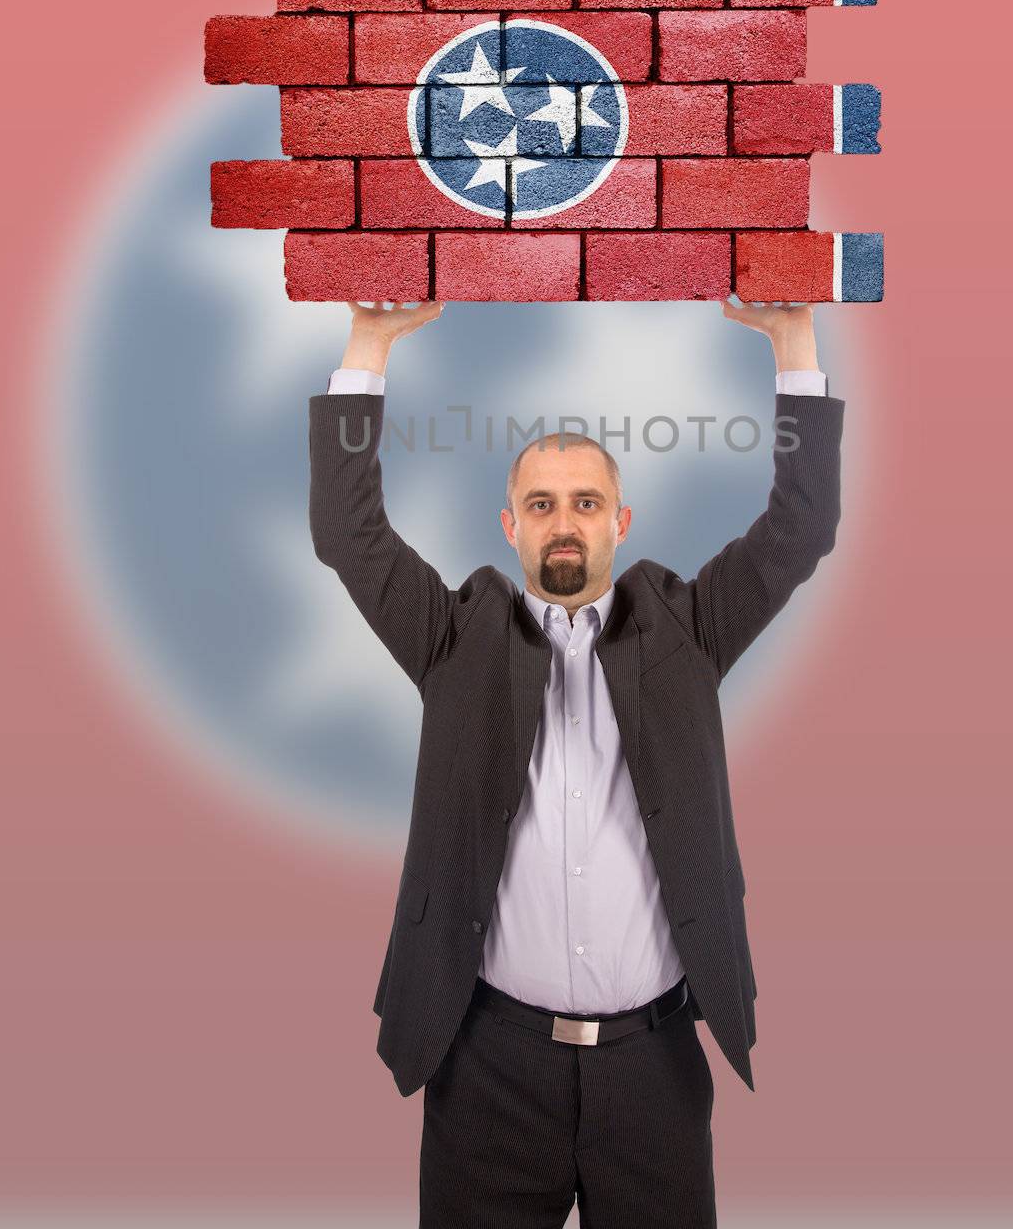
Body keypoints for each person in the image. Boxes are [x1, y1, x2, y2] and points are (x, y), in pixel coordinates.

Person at [309, 297, 844, 1227]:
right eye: (542, 505)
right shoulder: (453, 637)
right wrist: (370, 341)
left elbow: (798, 530)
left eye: (586, 504)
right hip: (486, 1067)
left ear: (620, 523)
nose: (566, 523)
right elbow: (348, 536)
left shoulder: (688, 626)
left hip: (655, 1072)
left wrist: (793, 341)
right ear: (508, 525)